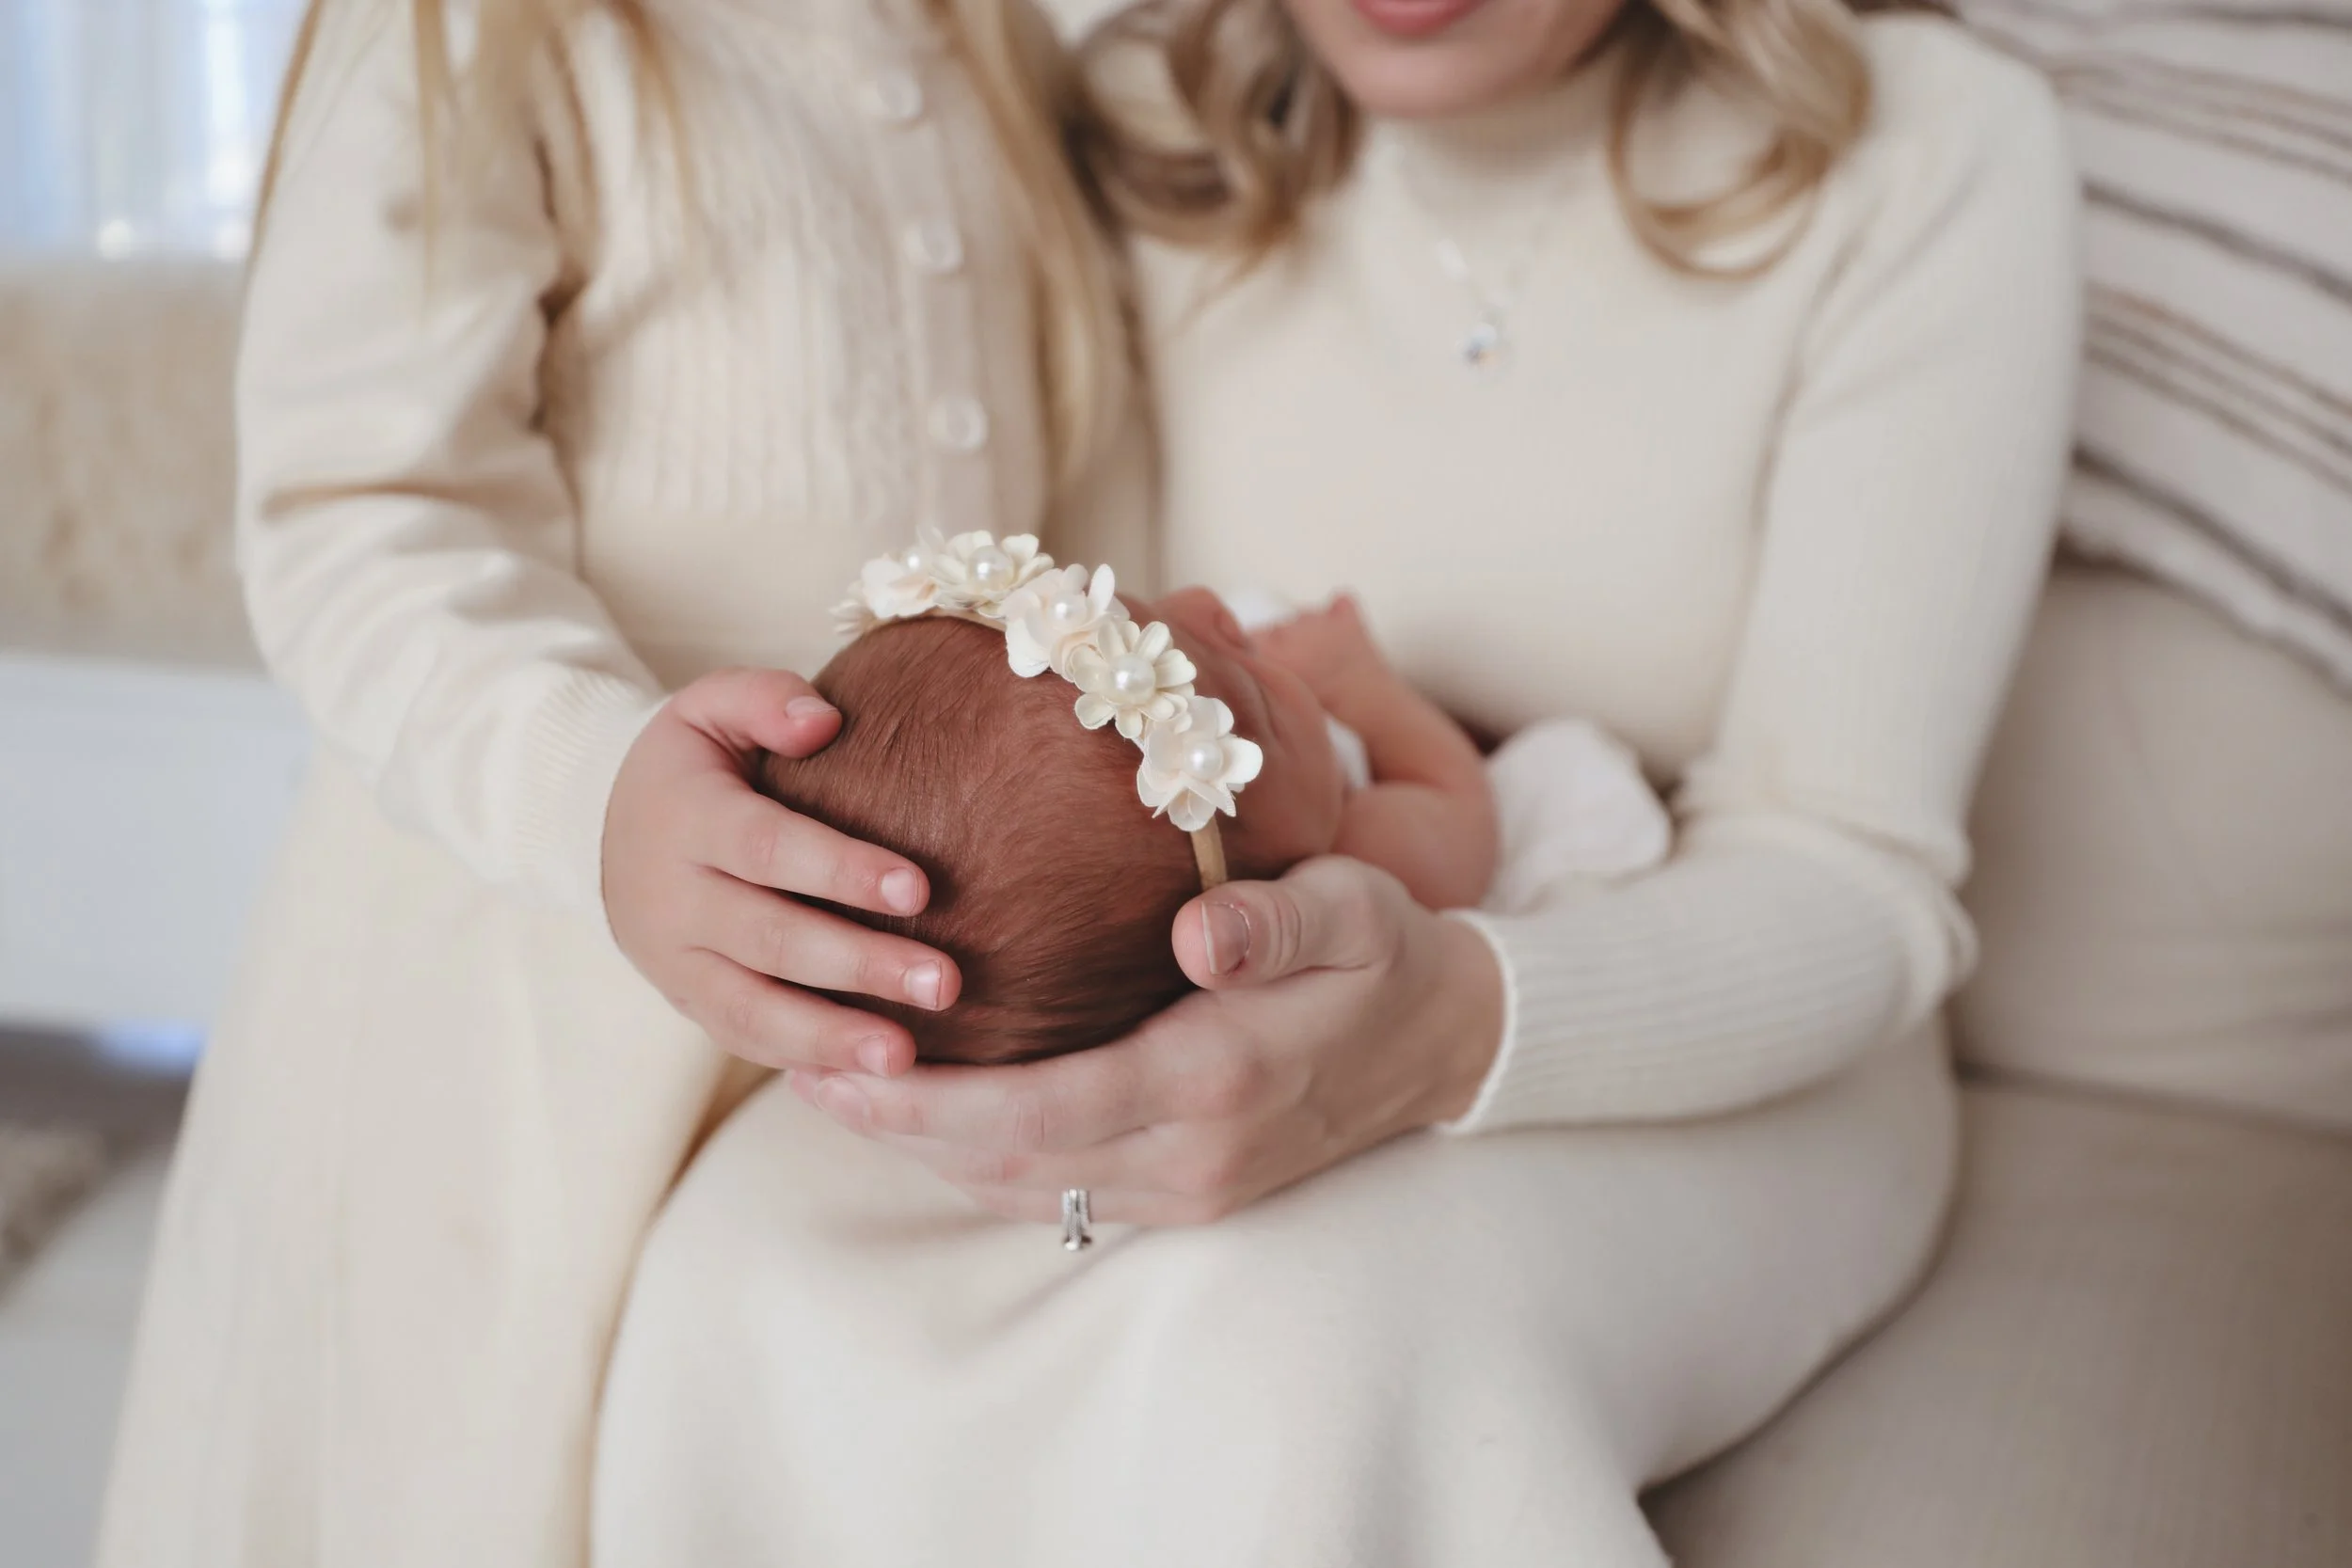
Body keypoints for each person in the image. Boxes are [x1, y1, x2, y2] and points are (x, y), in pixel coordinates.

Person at [588, 0, 2082, 1562]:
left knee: (1294, 1345)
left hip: (1739, 1016)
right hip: (1210, 961)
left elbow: (1851, 867)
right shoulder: (1160, 125)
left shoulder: (1927, 149)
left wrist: (1443, 1027)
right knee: (751, 1260)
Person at [95, 0, 1149, 1562]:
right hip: (507, 1015)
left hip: (871, 1016)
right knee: (476, 1473)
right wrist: (591, 787)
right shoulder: (474, 36)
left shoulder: (985, 46)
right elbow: (359, 513)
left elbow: (1081, 546)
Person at [773, 540, 1505, 1065]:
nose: (1206, 604)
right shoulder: (1353, 856)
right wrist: (1362, 687)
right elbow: (1457, 800)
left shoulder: (1268, 798)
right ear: (1246, 901)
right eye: (1250, 701)